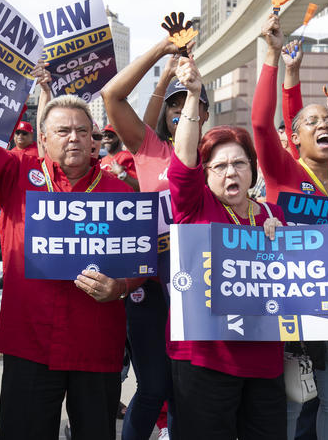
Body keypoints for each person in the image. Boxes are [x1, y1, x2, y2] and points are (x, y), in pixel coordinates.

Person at [0, 40, 141, 440]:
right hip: (31, 343)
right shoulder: (18, 172)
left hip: (96, 344)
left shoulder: (120, 194)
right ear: (44, 137)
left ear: (94, 139)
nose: (73, 138)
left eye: (81, 131)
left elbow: (140, 262)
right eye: (62, 130)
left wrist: (120, 286)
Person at [252, 14, 328, 440]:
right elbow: (263, 123)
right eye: (312, 123)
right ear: (294, 138)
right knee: (289, 399)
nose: (324, 126)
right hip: (293, 301)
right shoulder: (284, 171)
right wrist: (275, 58)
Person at [169, 54, 286, 440]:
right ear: (205, 175)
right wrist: (193, 94)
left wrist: (283, 243)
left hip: (262, 360)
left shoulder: (273, 215)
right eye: (219, 166)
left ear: (252, 169)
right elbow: (183, 162)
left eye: (239, 163)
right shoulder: (195, 204)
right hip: (205, 358)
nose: (230, 172)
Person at [101, 34, 207, 440]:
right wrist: (162, 52)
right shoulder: (148, 148)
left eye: (191, 105)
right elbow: (113, 95)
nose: (181, 112)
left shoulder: (215, 156)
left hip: (200, 286)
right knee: (153, 389)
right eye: (174, 106)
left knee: (186, 393)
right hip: (149, 286)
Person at [100, 124, 139, 191]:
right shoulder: (100, 161)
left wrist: (121, 173)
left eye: (110, 136)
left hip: (123, 200)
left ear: (120, 138)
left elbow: (139, 187)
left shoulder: (128, 157)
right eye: (104, 136)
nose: (106, 138)